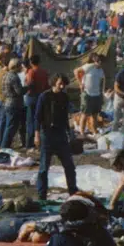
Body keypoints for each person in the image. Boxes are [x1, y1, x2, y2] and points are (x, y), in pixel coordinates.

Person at [34, 73, 78, 201]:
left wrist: (70, 133)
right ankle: (42, 195)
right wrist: (36, 135)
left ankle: (73, 191)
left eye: (64, 84)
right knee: (44, 167)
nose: (62, 86)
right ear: (54, 83)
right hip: (47, 134)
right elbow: (37, 117)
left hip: (61, 135)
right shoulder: (44, 96)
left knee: (69, 166)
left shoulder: (64, 97)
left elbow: (65, 117)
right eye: (60, 83)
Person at [79, 54, 105, 135]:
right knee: (85, 114)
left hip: (96, 95)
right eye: (98, 61)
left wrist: (101, 94)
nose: (100, 63)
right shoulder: (88, 67)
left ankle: (94, 131)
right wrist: (80, 84)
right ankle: (82, 132)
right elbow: (76, 71)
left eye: (101, 62)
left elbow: (101, 82)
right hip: (87, 93)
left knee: (95, 115)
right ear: (95, 62)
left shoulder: (101, 70)